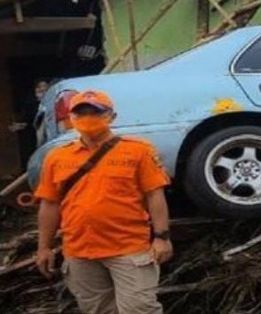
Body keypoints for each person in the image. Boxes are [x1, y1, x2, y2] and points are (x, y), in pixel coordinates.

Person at [33, 90, 173, 314]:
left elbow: (154, 195)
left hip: (129, 249)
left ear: (112, 117)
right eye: (81, 113)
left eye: (95, 112)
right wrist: (44, 247)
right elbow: (50, 204)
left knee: (139, 309)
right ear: (71, 118)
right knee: (97, 310)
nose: (88, 118)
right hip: (79, 252)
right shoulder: (57, 157)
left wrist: (162, 237)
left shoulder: (138, 151)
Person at [9, 78, 49, 169]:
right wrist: (22, 125)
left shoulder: (53, 103)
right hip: (34, 137)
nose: (41, 90)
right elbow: (28, 121)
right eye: (39, 87)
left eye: (45, 88)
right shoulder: (30, 104)